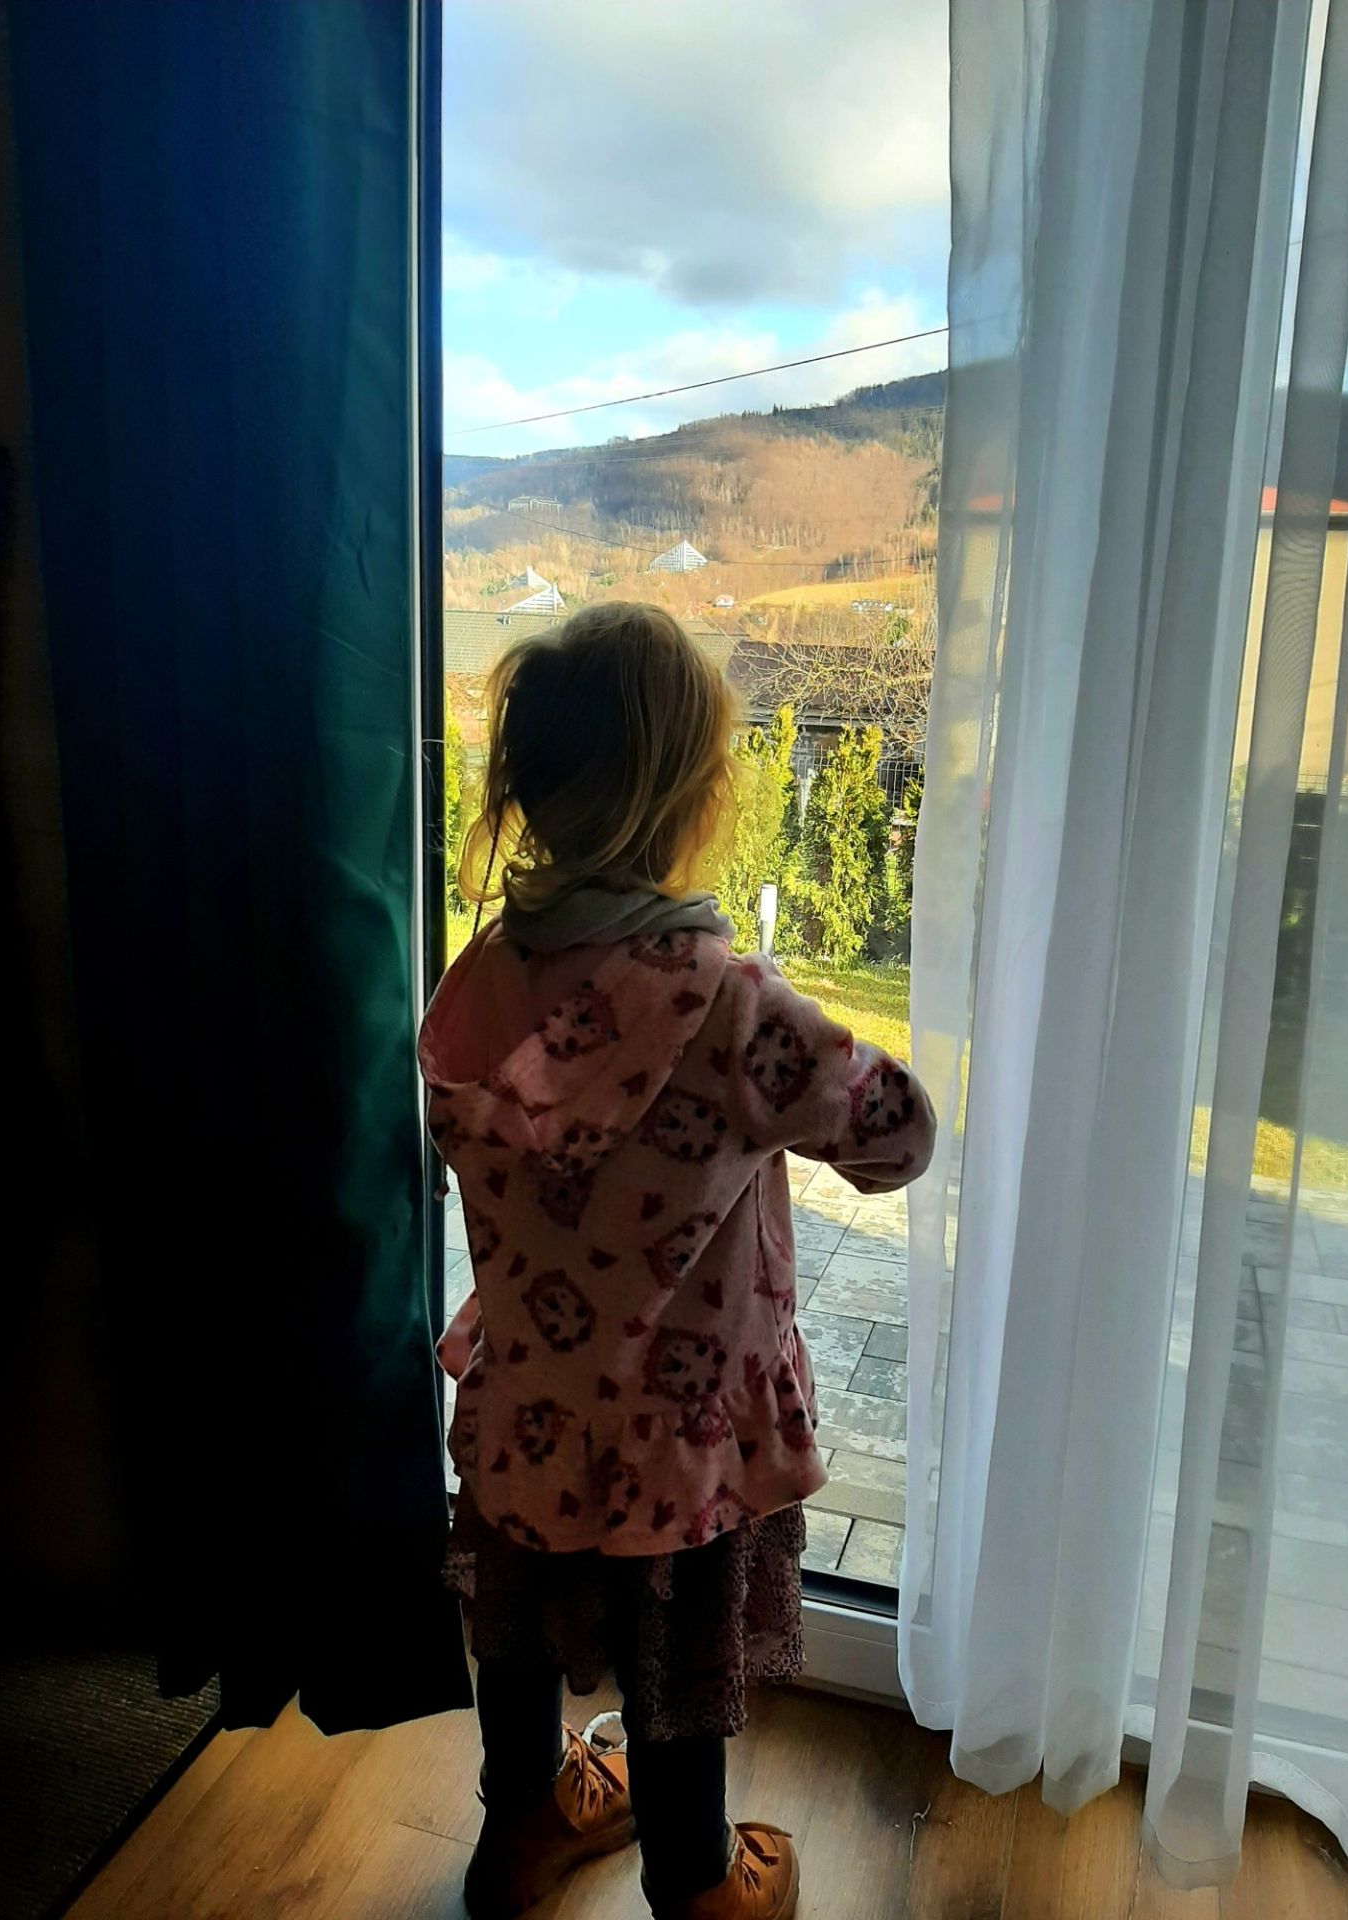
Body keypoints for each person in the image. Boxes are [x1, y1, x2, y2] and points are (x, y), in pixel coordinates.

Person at [419, 602, 936, 1920]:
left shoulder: (480, 976)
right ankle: (697, 1882)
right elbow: (898, 1136)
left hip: (529, 1401)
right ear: (693, 800)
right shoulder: (728, 999)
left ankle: (521, 1830)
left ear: (527, 790)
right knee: (673, 1657)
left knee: (514, 1626)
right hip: (681, 1429)